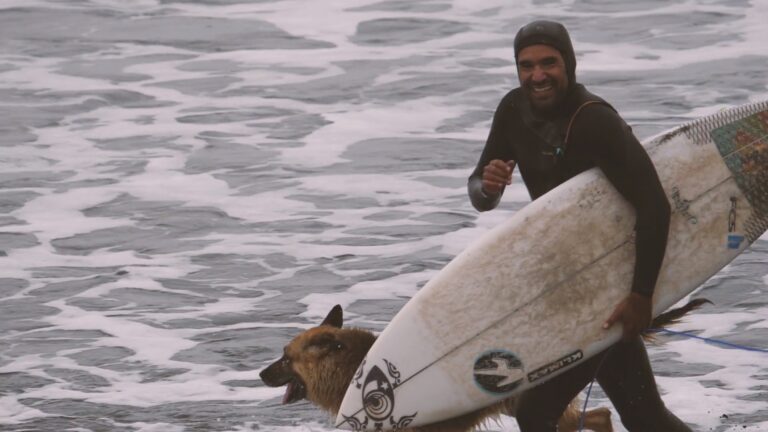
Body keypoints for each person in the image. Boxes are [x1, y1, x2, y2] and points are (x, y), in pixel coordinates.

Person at [467, 20, 692, 432]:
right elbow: (480, 192)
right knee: (642, 413)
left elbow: (655, 206)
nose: (537, 75)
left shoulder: (596, 121)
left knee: (536, 413)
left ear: (568, 63)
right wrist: (489, 184)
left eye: (548, 63)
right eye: (526, 65)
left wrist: (640, 295)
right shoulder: (512, 110)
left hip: (609, 288)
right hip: (570, 284)